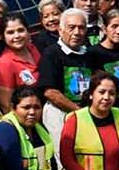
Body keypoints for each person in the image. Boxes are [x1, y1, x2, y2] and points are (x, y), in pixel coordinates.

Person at [37, 8, 96, 138]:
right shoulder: (51, 54)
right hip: (59, 114)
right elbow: (50, 92)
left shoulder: (90, 54)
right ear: (60, 30)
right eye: (71, 27)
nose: (77, 32)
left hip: (86, 114)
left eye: (81, 28)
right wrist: (78, 111)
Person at [0, 15, 42, 110]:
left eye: (20, 30)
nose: (17, 36)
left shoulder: (33, 48)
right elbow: (6, 104)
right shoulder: (3, 64)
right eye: (10, 32)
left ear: (28, 32)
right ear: (3, 36)